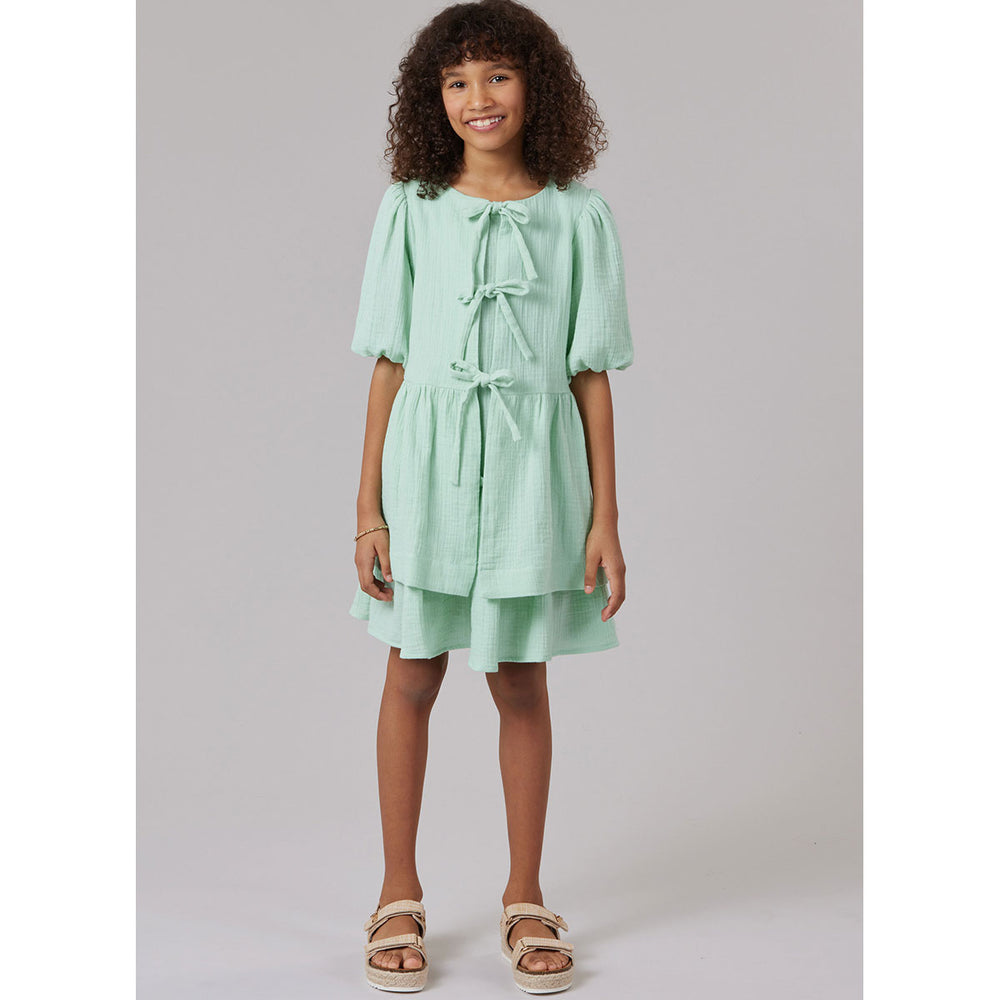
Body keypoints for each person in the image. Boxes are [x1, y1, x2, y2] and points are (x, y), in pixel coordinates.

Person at [349, 1, 634, 992]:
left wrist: (604, 518)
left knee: (520, 681)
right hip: (426, 472)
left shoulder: (578, 217)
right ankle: (397, 889)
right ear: (434, 97)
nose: (478, 97)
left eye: (499, 75)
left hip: (532, 477)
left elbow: (590, 373)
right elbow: (388, 362)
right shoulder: (411, 208)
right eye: (457, 80)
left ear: (534, 88)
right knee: (411, 671)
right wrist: (368, 509)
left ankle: (525, 893)